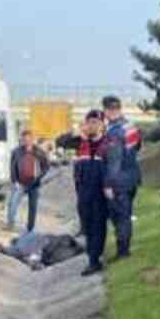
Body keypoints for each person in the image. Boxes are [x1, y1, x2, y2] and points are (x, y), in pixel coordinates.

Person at [56, 110, 110, 276]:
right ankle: (93, 257)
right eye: (90, 122)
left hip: (102, 193)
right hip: (84, 192)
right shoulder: (79, 142)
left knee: (98, 226)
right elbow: (60, 141)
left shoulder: (108, 144)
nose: (92, 125)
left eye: (96, 122)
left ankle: (94, 260)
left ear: (102, 125)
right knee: (87, 226)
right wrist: (76, 132)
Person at [101, 95, 142, 261]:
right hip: (132, 177)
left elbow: (114, 161)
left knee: (120, 217)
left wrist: (108, 184)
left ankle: (123, 251)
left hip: (119, 181)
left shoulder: (114, 131)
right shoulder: (130, 126)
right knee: (126, 214)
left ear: (107, 110)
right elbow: (137, 147)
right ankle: (124, 249)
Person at [6, 129, 50, 233]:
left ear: (32, 139)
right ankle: (10, 224)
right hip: (20, 183)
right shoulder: (16, 151)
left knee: (33, 207)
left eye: (28, 139)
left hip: (34, 184)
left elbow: (46, 166)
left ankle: (30, 228)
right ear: (22, 140)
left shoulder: (39, 151)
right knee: (12, 204)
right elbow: (12, 167)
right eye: (24, 139)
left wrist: (39, 177)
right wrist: (14, 181)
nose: (26, 141)